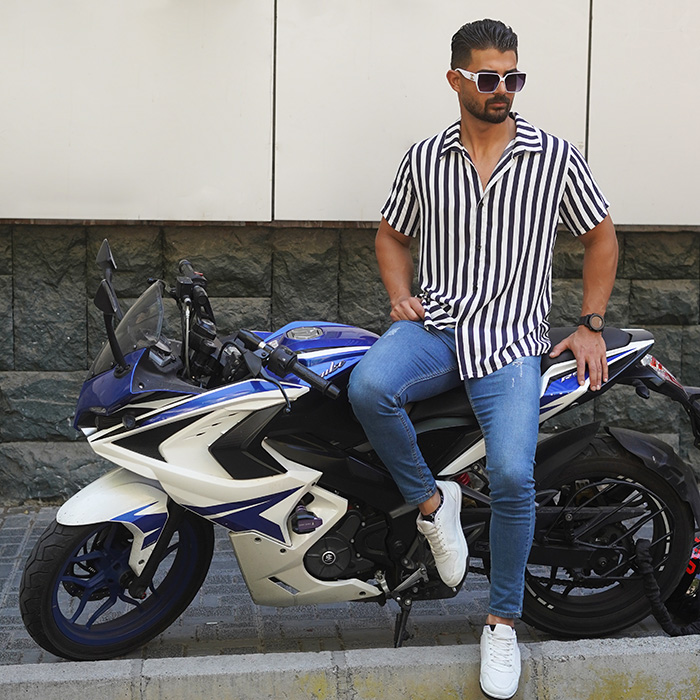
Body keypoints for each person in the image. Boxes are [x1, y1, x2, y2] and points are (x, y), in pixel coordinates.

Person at [347, 18, 618, 700]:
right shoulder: (424, 158)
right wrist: (399, 295)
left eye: (513, 77)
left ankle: (501, 623)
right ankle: (432, 503)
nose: (504, 89)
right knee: (369, 388)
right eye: (489, 77)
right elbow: (390, 234)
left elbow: (601, 236)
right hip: (437, 326)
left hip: (511, 341)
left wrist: (590, 324)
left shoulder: (553, 157)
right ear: (456, 79)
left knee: (513, 476)